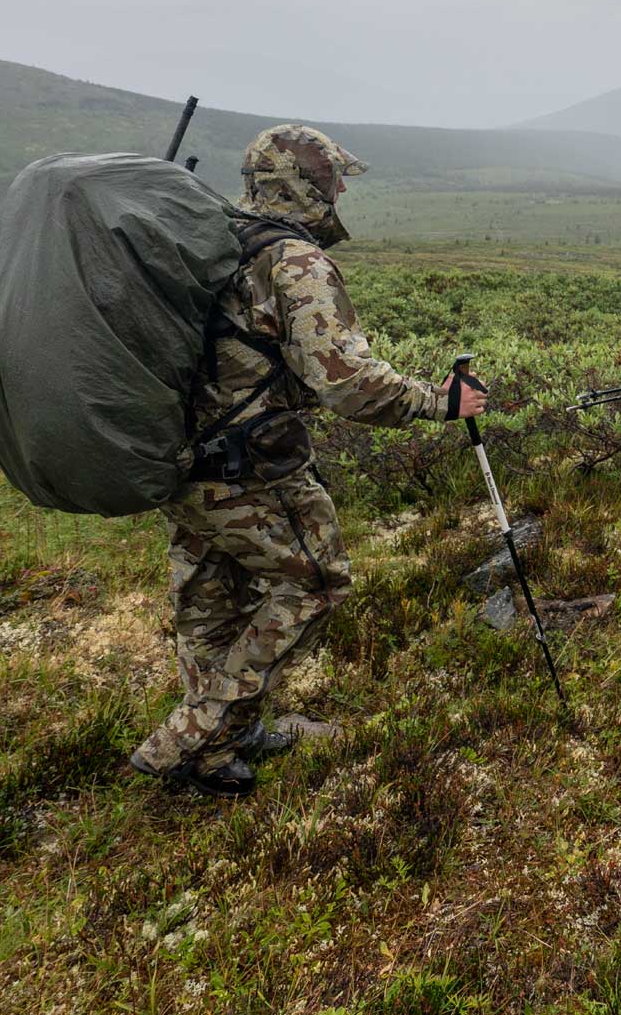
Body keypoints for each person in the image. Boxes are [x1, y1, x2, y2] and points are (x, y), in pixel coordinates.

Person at [131, 124, 487, 796]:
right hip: (253, 467)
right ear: (300, 185)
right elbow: (346, 382)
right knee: (316, 583)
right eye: (330, 179)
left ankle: (220, 750)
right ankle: (192, 734)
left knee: (211, 605)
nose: (342, 190)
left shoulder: (212, 247)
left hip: (183, 465)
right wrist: (438, 403)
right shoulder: (293, 261)